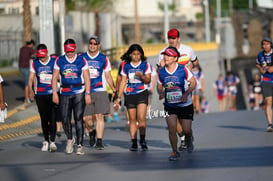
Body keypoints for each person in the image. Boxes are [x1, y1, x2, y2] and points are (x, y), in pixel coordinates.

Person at [157, 28, 199, 151]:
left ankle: (187, 136)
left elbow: (195, 62)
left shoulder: (188, 50)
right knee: (173, 124)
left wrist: (188, 68)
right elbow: (160, 71)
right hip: (170, 90)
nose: (171, 40)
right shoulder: (162, 53)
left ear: (178, 38)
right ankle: (181, 141)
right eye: (169, 38)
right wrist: (161, 90)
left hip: (185, 85)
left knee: (184, 122)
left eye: (173, 38)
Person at [52, 38, 91, 155]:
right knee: (64, 119)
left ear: (74, 49)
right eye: (67, 51)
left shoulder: (81, 60)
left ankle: (79, 145)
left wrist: (88, 93)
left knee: (78, 118)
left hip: (79, 91)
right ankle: (70, 139)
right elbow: (54, 77)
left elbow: (87, 78)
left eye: (71, 51)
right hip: (64, 92)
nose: (69, 53)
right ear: (65, 50)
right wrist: (54, 93)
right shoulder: (59, 60)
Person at [114, 43, 151, 151]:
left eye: (138, 54)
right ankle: (134, 141)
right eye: (134, 54)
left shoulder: (145, 65)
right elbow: (123, 81)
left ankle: (143, 140)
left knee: (141, 117)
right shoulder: (126, 65)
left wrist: (141, 76)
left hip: (142, 93)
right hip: (130, 94)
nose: (136, 56)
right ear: (130, 54)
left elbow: (148, 80)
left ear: (141, 54)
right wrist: (118, 97)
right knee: (132, 119)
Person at [81, 36, 116, 149]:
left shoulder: (103, 58)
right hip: (86, 91)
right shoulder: (82, 57)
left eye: (95, 43)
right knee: (86, 119)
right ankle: (91, 132)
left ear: (99, 45)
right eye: (90, 43)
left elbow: (107, 75)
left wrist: (114, 89)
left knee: (99, 116)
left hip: (100, 90)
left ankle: (99, 140)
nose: (92, 45)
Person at [28, 44, 57, 152]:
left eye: (43, 57)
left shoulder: (54, 61)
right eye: (40, 57)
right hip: (40, 94)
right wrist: (31, 90)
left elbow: (59, 75)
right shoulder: (35, 63)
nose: (42, 59)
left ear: (47, 53)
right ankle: (46, 140)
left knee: (53, 118)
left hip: (52, 93)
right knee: (44, 118)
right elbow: (31, 78)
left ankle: (53, 142)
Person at [255, 36, 273, 132]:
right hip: (266, 81)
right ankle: (270, 124)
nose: (265, 46)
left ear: (271, 45)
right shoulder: (260, 55)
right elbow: (257, 63)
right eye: (264, 44)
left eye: (267, 44)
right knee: (268, 101)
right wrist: (261, 68)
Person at [19, 39, 35, 104]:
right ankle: (27, 98)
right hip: (26, 68)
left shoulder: (22, 48)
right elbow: (36, 55)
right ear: (31, 44)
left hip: (21, 67)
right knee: (27, 84)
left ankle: (30, 96)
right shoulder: (30, 49)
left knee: (28, 82)